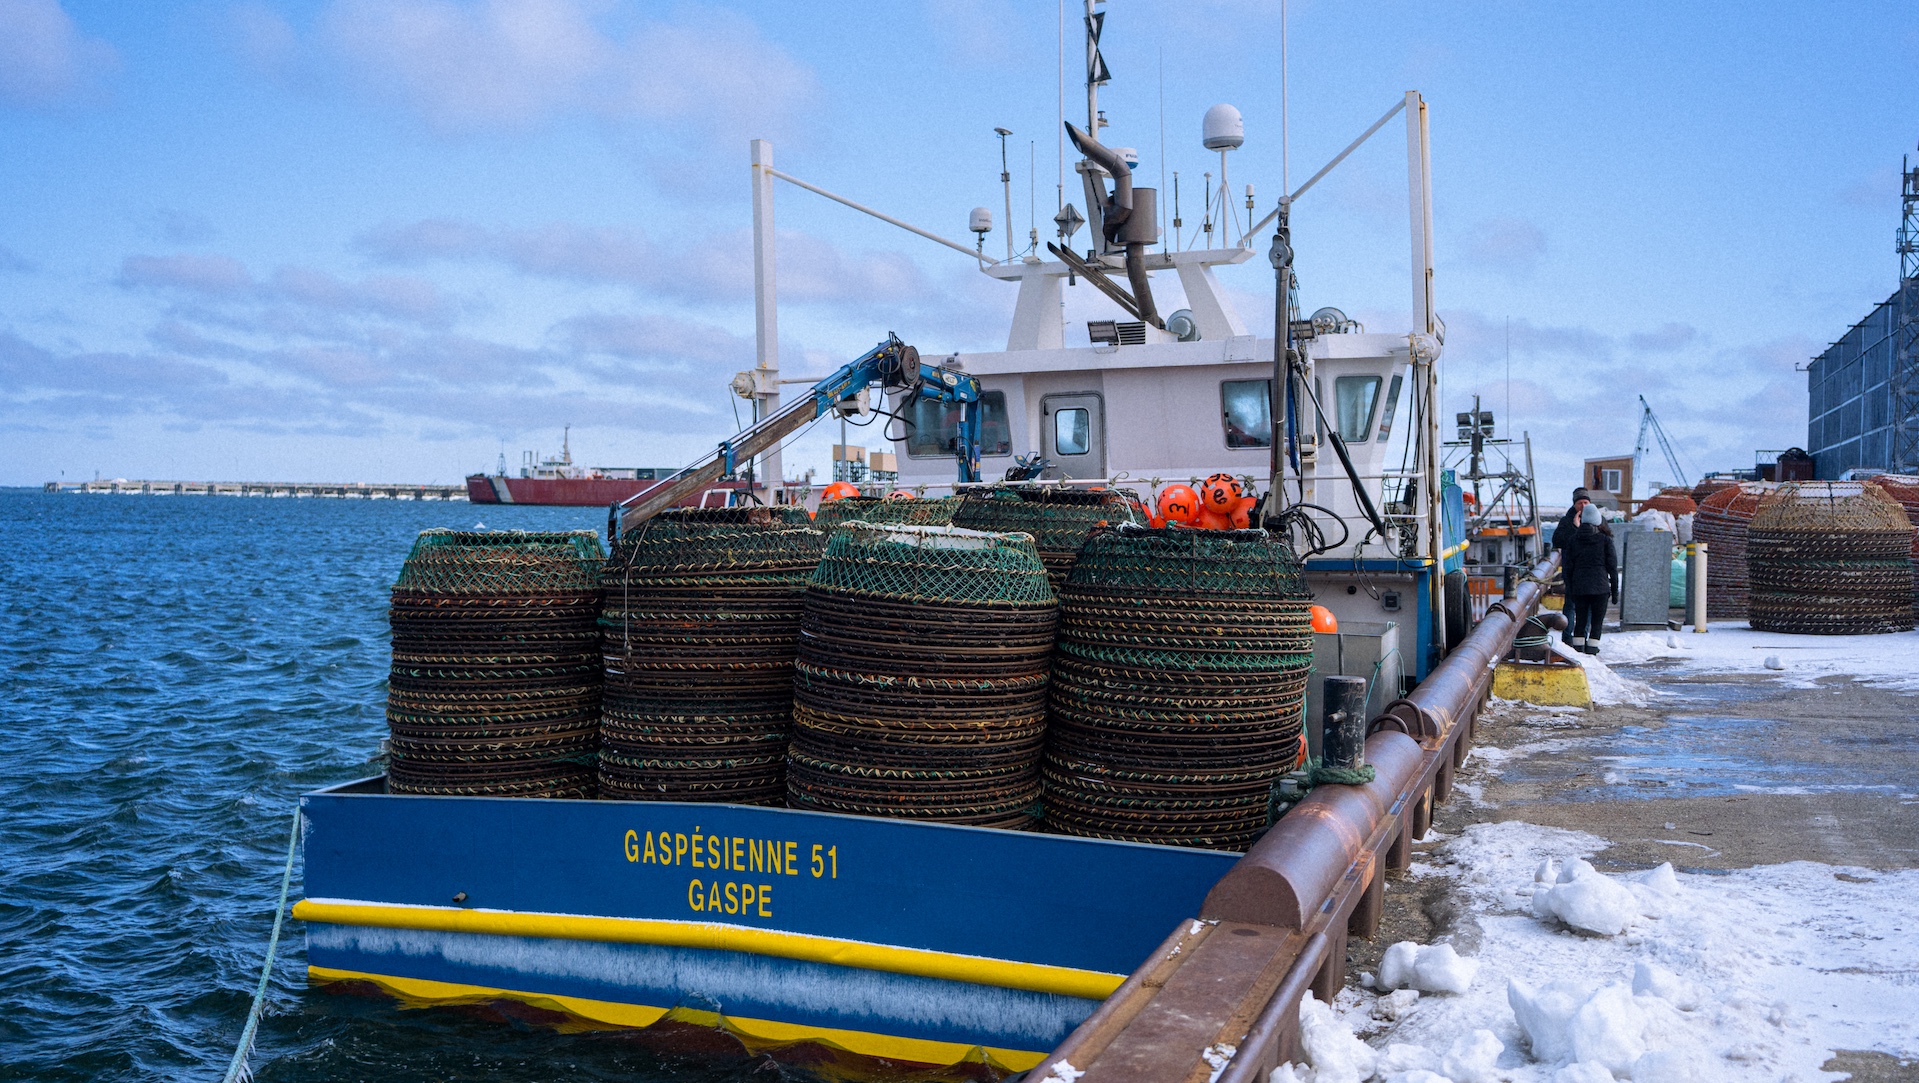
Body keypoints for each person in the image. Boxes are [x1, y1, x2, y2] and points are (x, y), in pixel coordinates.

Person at [1560, 503, 1618, 654]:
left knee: (1580, 620)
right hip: (1600, 588)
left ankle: (1578, 650)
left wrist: (1570, 587)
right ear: (1598, 521)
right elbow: (1612, 567)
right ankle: (1592, 650)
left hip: (1580, 587)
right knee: (1597, 622)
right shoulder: (1605, 540)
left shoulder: (1573, 540)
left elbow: (1567, 568)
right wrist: (1615, 591)